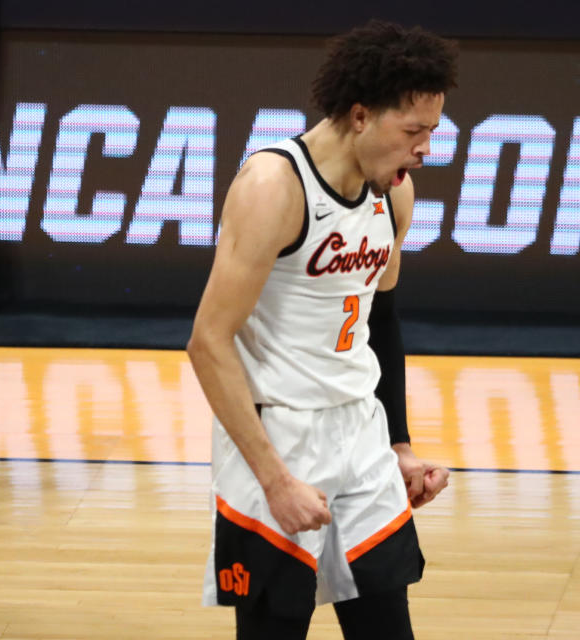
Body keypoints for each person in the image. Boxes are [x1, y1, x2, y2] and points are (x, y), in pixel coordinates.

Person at [186, 21, 458, 640]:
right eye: (413, 131)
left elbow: (381, 321)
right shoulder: (273, 186)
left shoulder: (396, 194)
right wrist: (274, 479)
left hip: (359, 430)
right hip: (275, 433)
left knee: (388, 627)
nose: (424, 148)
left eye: (432, 132)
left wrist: (400, 444)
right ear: (360, 116)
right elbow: (208, 341)